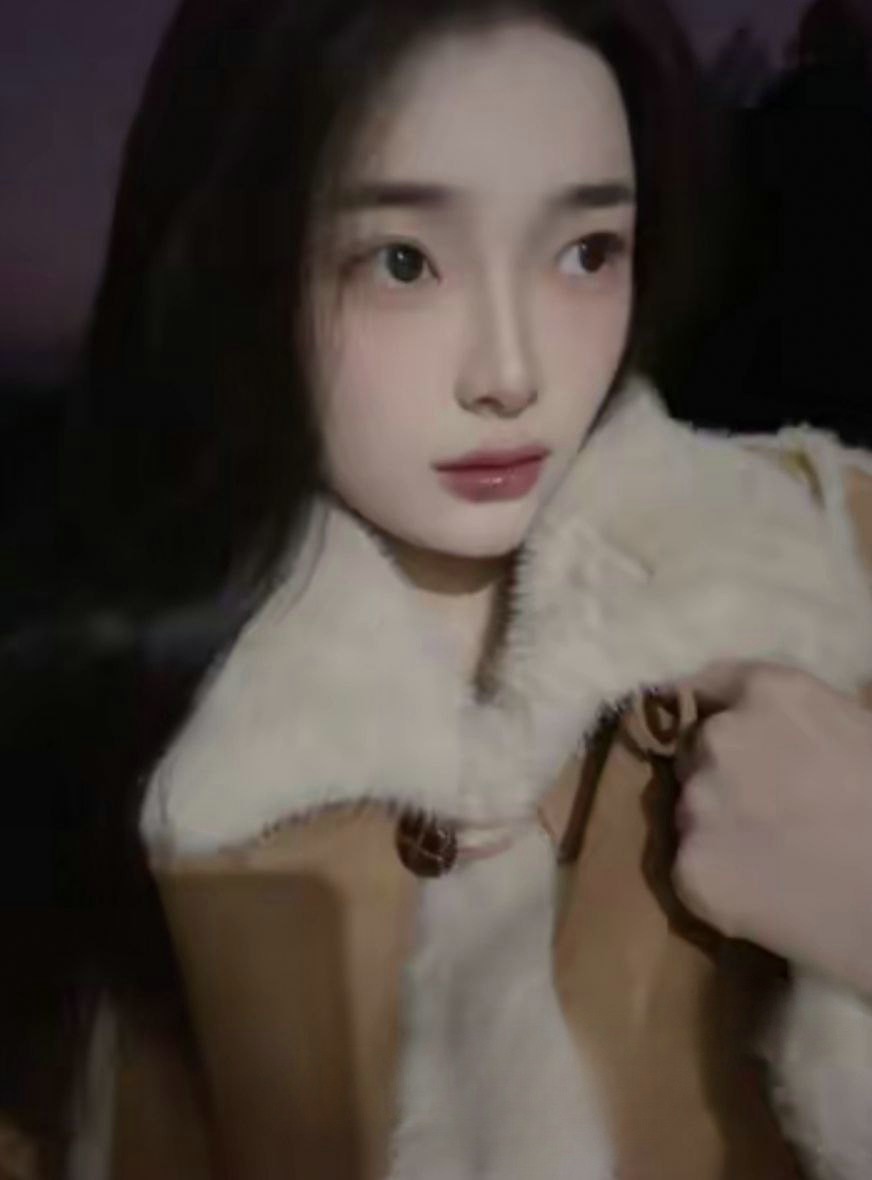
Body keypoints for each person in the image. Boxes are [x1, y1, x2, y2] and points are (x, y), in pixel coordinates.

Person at [2, 1, 872, 1179]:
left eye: (585, 252)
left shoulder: (827, 556)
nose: (509, 373)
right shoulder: (100, 714)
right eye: (403, 261)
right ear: (231, 267)